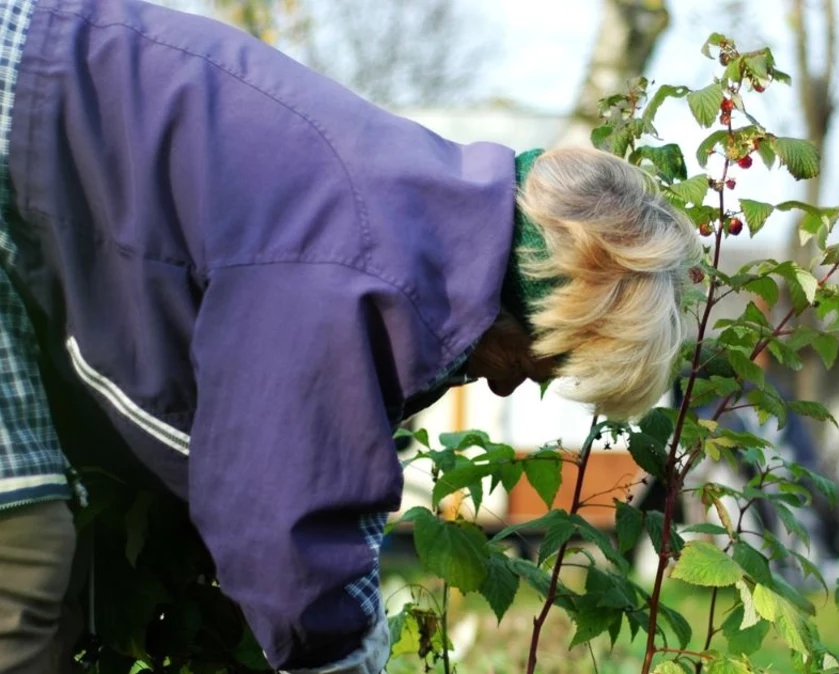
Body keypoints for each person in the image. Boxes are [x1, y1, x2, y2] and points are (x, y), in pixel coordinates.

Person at [0, 0, 702, 671]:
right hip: (13, 112)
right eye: (543, 364)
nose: (508, 382)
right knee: (22, 561)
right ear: (535, 302)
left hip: (36, 133)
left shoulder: (424, 222)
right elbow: (279, 515)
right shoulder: (358, 263)